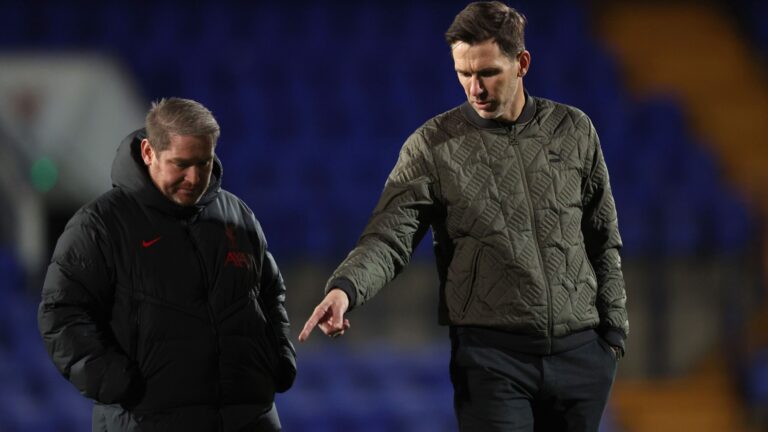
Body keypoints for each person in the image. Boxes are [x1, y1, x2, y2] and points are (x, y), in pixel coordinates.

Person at [299, 2, 628, 431]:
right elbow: (388, 237)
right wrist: (345, 289)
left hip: (581, 358)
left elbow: (603, 236)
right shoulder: (431, 147)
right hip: (492, 362)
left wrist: (612, 337)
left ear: (522, 63)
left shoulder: (573, 129)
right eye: (464, 74)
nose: (475, 88)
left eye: (488, 72)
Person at [38, 98, 296, 432]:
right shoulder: (100, 225)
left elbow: (270, 292)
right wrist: (118, 384)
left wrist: (279, 358)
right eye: (181, 164)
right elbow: (61, 313)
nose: (194, 177)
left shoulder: (238, 216)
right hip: (148, 421)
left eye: (203, 163)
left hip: (252, 420)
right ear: (149, 152)